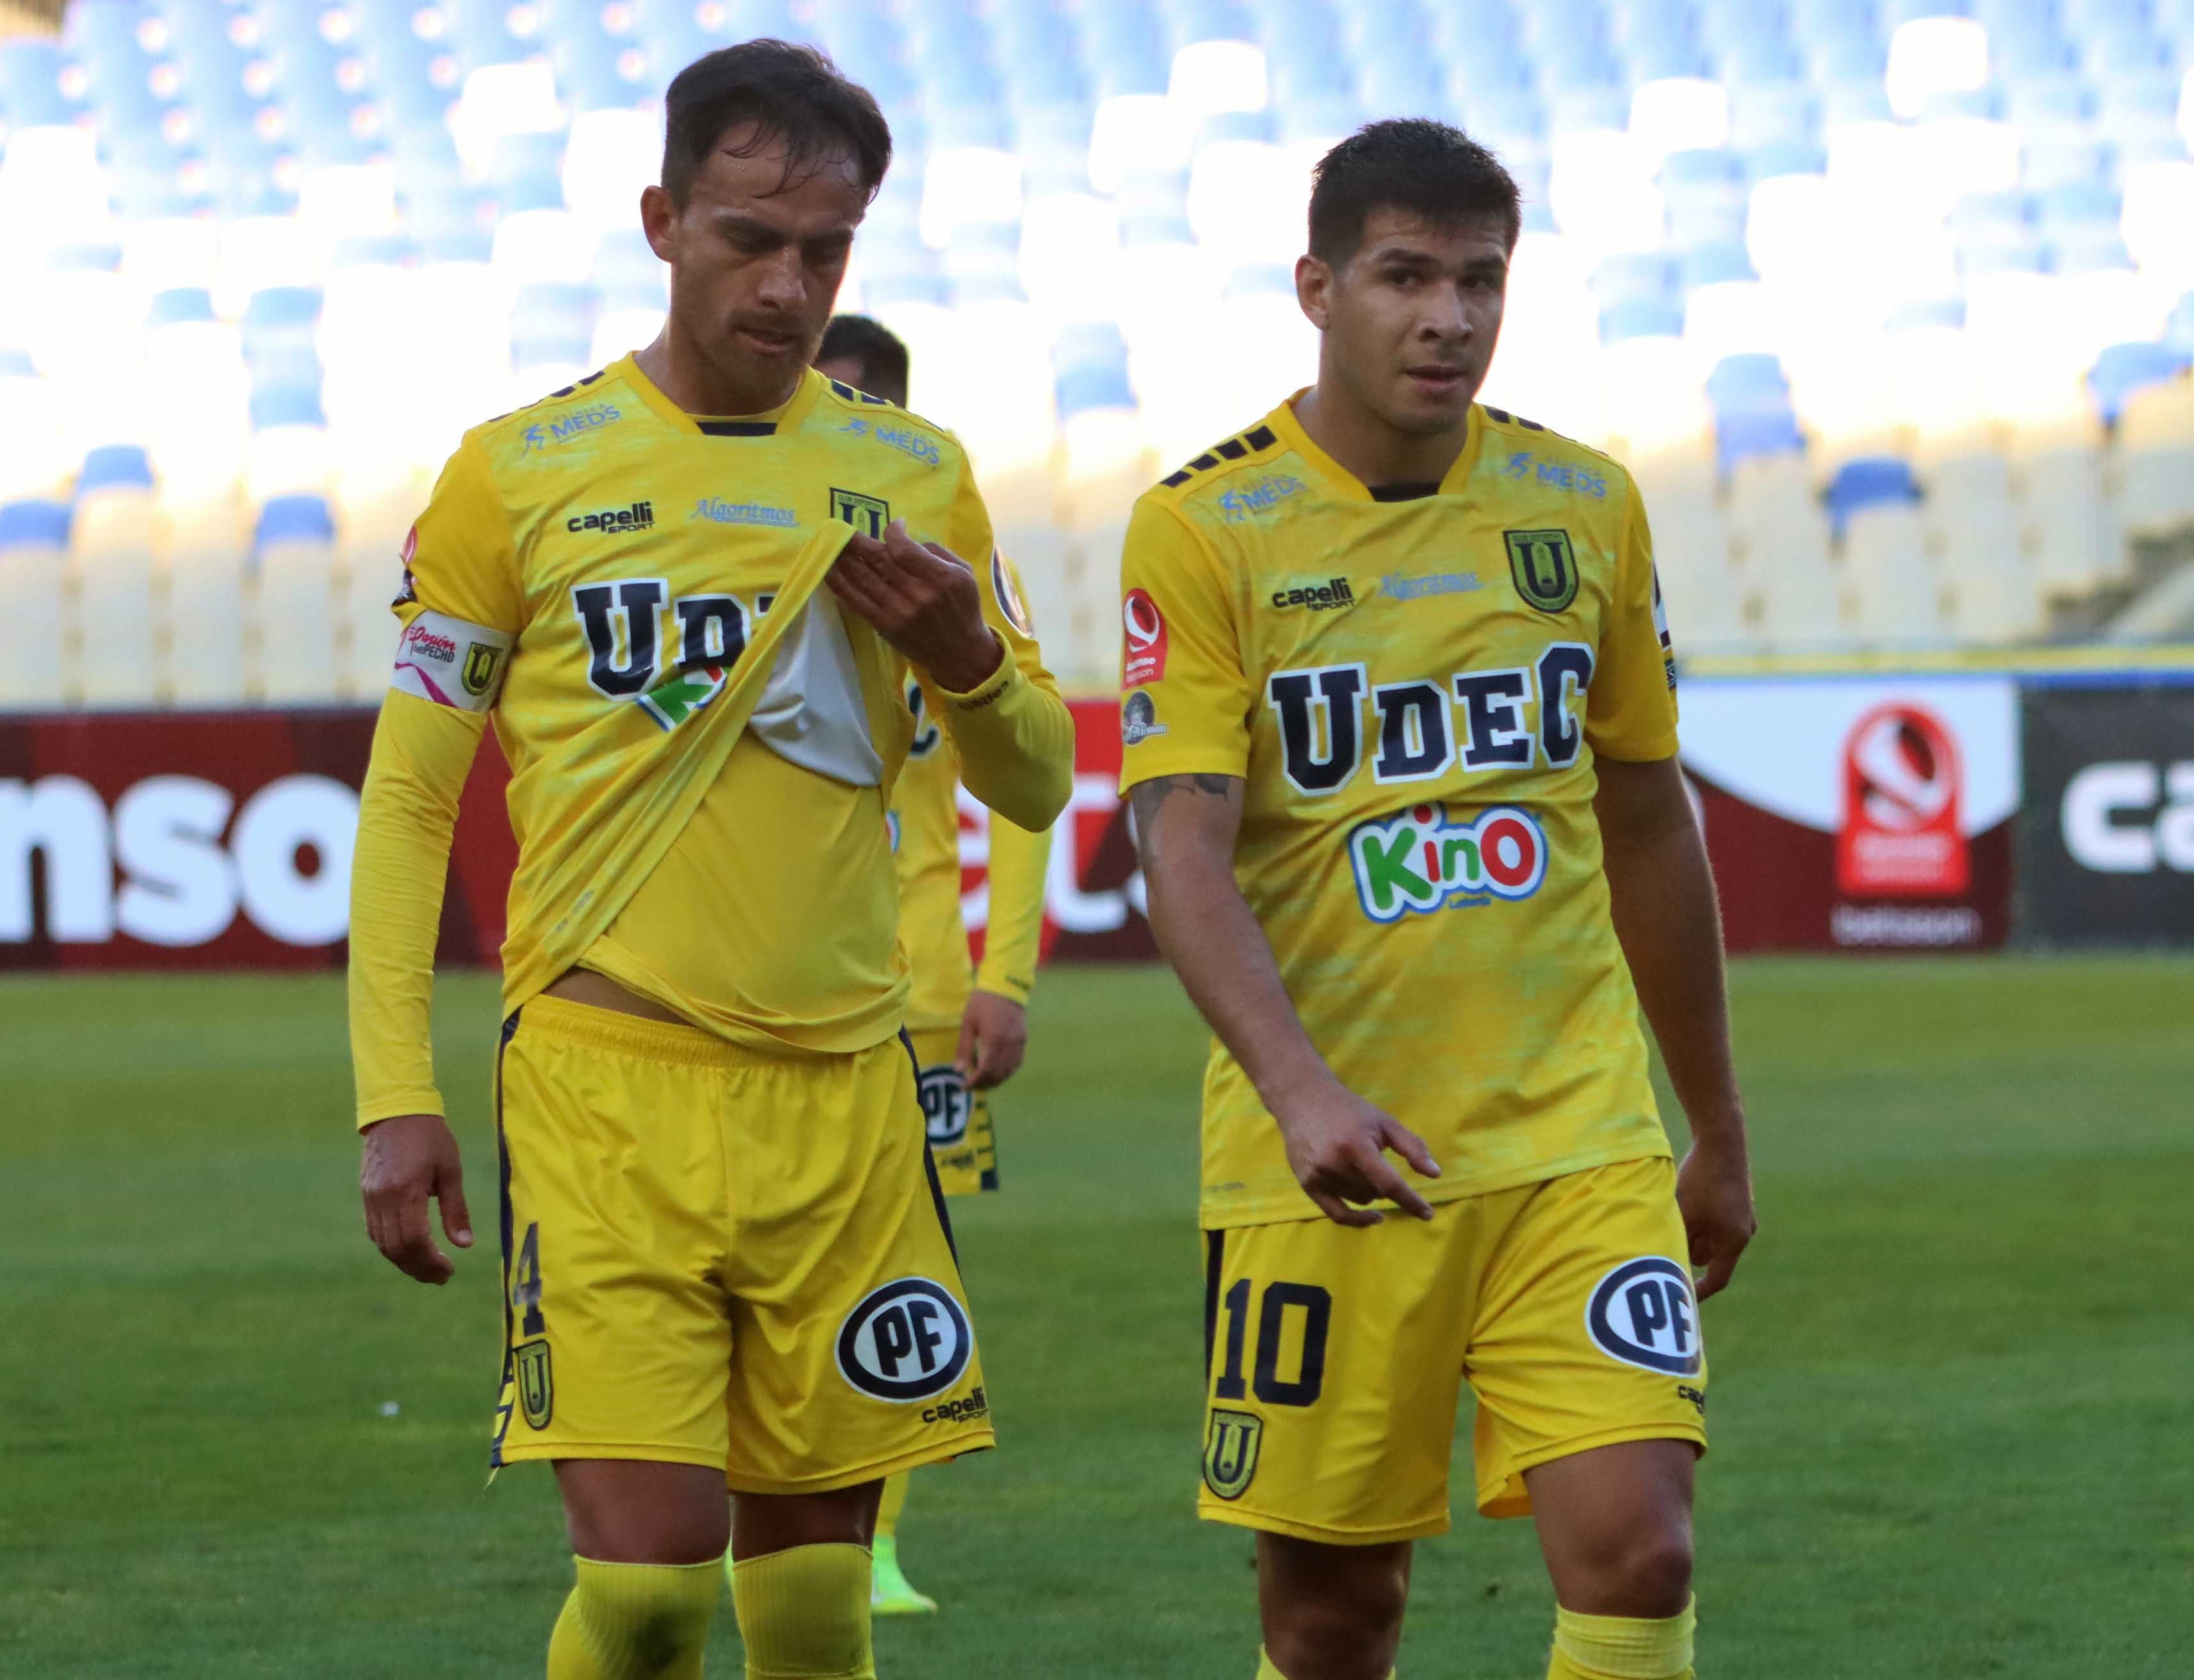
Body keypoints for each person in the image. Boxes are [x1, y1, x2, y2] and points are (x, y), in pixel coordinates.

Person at [347, 41, 1073, 1680]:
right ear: (664, 220)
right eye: (752, 238)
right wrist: (396, 1091)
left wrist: (967, 652)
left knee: (815, 1608)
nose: (790, 283)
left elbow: (1031, 775)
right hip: (610, 1089)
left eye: (826, 250)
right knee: (660, 1590)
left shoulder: (912, 474)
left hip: (847, 1096)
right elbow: (406, 804)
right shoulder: (516, 474)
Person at [1115, 119, 1758, 1680]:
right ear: (1317, 287)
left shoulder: (1584, 506)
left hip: (1577, 1137)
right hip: (1330, 1154)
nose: (1448, 318)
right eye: (1406, 276)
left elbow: (1645, 819)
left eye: (1481, 280)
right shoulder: (1203, 528)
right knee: (1336, 1618)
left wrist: (1715, 1120)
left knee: (1640, 1553)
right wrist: (1298, 1090)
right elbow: (1181, 846)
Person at [811, 314, 1057, 1616]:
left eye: (860, 405)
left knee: (906, 1274)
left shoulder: (959, 573)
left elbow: (1018, 780)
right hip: (781, 990)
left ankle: (878, 1545)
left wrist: (1003, 975)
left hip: (917, 997)